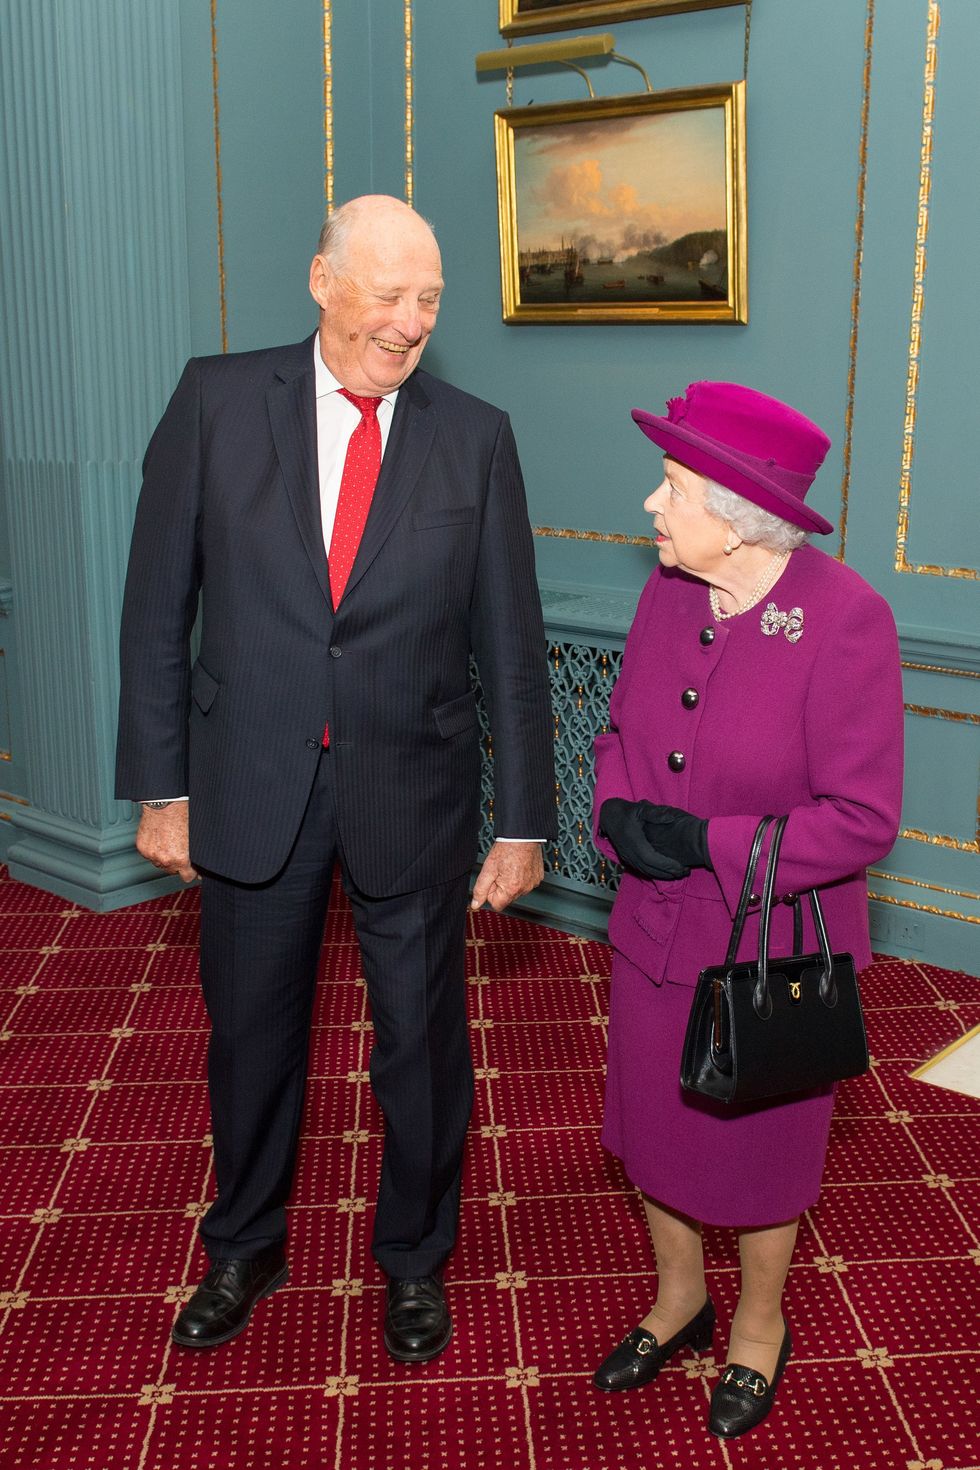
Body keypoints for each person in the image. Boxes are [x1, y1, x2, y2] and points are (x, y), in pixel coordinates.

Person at [115, 195, 556, 1360]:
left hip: (413, 792)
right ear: (320, 280)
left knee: (419, 1045)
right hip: (250, 779)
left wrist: (523, 821)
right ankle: (244, 1244)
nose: (407, 324)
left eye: (428, 301)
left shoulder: (475, 436)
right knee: (249, 1035)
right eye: (384, 293)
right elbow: (157, 608)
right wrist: (161, 787)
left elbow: (509, 642)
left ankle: (415, 1258)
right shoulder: (215, 400)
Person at [590, 382, 903, 1438]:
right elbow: (621, 738)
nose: (651, 505)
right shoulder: (668, 591)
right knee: (652, 1131)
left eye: (671, 488)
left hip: (767, 950)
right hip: (649, 929)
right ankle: (678, 1300)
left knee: (757, 1154)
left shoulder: (844, 618)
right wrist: (613, 816)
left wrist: (711, 846)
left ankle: (756, 1325)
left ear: (733, 508)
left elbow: (861, 820)